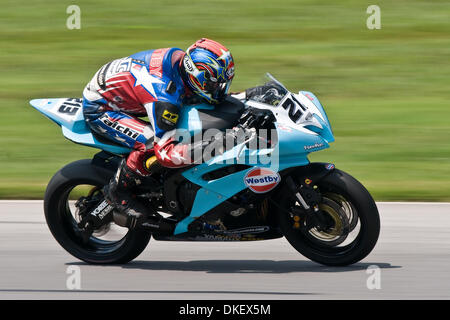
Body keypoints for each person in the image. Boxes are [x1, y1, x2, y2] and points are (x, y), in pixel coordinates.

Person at [82, 38, 240, 226]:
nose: (220, 90)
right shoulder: (165, 98)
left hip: (125, 89)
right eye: (215, 85)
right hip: (102, 108)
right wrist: (220, 143)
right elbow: (166, 155)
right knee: (150, 144)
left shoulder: (181, 64)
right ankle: (118, 192)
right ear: (197, 77)